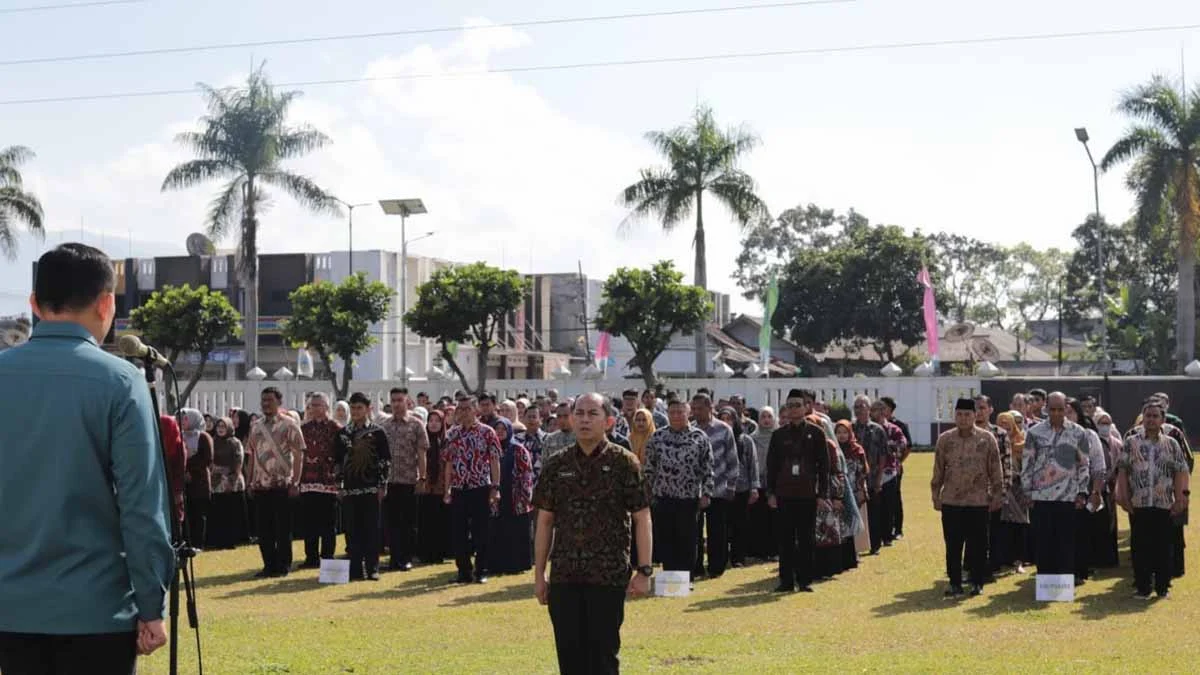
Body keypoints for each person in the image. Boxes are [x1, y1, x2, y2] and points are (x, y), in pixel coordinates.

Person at [0, 243, 173, 672]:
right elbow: (141, 506)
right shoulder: (121, 381)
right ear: (107, 303)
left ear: (35, 304)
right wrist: (152, 604)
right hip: (97, 609)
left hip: (10, 610)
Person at [534, 393, 652, 675]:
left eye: (593, 413)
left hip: (607, 575)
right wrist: (540, 573)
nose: (585, 419)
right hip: (565, 576)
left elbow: (642, 516)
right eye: (580, 413)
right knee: (570, 659)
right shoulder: (556, 464)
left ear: (609, 421)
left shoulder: (625, 463)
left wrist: (644, 570)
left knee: (603, 657)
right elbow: (545, 521)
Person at [1117, 401, 1190, 600]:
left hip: (1164, 503)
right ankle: (1142, 587)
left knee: (1163, 547)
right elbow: (1122, 470)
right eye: (1147, 416)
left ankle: (1162, 587)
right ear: (1142, 418)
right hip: (1139, 504)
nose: (1151, 420)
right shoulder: (1132, 442)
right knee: (1140, 547)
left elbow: (1181, 471)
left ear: (1162, 420)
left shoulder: (1171, 444)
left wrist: (1182, 498)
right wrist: (1122, 496)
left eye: (1155, 416)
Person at [931, 398, 1004, 598]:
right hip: (952, 501)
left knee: (979, 544)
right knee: (953, 544)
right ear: (955, 416)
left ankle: (977, 582)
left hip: (978, 500)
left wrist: (998, 494)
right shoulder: (945, 439)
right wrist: (935, 494)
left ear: (975, 415)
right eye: (959, 415)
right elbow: (938, 468)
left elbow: (996, 469)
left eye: (967, 414)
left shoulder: (987, 439)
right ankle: (955, 583)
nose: (963, 419)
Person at [765, 390, 832, 593]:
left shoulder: (816, 433)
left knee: (806, 539)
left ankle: (805, 581)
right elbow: (771, 466)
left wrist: (822, 495)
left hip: (807, 494)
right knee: (785, 539)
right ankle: (786, 581)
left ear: (805, 407)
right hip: (784, 494)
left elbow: (824, 467)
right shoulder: (778, 435)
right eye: (790, 405)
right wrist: (771, 493)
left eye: (798, 405)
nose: (794, 409)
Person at [1022, 392, 1091, 584]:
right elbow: (1027, 462)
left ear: (1066, 409)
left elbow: (1084, 464)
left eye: (1060, 409)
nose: (1056, 413)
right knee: (1043, 542)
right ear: (1046, 409)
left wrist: (1082, 492)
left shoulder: (1078, 433)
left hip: (1068, 497)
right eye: (1052, 409)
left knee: (1066, 543)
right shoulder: (1034, 433)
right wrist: (1027, 491)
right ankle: (1045, 582)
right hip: (1041, 497)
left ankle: (1063, 584)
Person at [643, 396, 714, 580]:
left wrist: (706, 493)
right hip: (663, 498)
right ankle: (669, 578)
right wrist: (647, 493)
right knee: (666, 540)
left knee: (688, 541)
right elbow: (649, 467)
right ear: (667, 414)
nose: (676, 416)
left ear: (688, 413)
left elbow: (707, 468)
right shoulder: (657, 437)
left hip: (688, 499)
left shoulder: (699, 437)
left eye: (680, 412)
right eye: (672, 412)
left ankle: (685, 578)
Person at [246, 386, 307, 578]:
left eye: (270, 400)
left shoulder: (289, 425)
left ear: (279, 402)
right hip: (261, 485)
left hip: (283, 485)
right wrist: (249, 481)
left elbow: (299, 456)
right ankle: (268, 565)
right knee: (264, 529)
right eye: (263, 400)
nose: (266, 404)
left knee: (282, 528)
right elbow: (251, 456)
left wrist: (295, 481)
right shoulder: (255, 426)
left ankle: (283, 565)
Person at [443, 396, 503, 584]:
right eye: (460, 409)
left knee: (481, 531)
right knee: (458, 532)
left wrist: (496, 487)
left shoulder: (487, 432)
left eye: (467, 408)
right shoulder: (452, 434)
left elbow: (494, 460)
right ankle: (464, 570)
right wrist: (447, 490)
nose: (463, 412)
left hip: (480, 487)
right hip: (459, 488)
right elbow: (448, 464)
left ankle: (481, 569)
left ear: (475, 410)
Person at [335, 393, 391, 581]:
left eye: (359, 408)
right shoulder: (343, 434)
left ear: (368, 409)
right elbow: (337, 462)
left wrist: (382, 484)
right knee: (352, 531)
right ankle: (355, 570)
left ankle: (372, 568)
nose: (356, 412)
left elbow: (385, 461)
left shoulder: (378, 432)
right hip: (350, 490)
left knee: (371, 530)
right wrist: (339, 486)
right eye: (353, 408)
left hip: (371, 489)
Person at [381, 387, 429, 572]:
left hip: (409, 480)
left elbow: (422, 453)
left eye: (399, 400)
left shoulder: (416, 425)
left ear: (407, 401)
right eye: (393, 400)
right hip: (389, 481)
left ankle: (406, 558)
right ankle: (394, 558)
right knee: (391, 522)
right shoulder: (384, 426)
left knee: (407, 523)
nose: (396, 404)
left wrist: (422, 477)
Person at [692, 393, 739, 579]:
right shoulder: (692, 430)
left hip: (719, 488)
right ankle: (695, 566)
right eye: (693, 409)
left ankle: (716, 567)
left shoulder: (724, 429)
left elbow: (732, 459)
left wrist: (731, 485)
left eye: (699, 409)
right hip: (695, 489)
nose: (696, 412)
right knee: (695, 531)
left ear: (709, 408)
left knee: (717, 531)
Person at [1065, 398, 1107, 583]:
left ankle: (1080, 571)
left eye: (1069, 412)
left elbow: (1098, 467)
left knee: (1080, 533)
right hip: (1056, 495)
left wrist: (1095, 492)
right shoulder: (1050, 434)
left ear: (1078, 414)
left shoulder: (1089, 435)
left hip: (1083, 492)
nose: (1065, 416)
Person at [487, 418, 535, 575]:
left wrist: (525, 496)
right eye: (497, 429)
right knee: (497, 531)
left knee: (516, 533)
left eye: (503, 429)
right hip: (496, 497)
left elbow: (527, 474)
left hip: (516, 498)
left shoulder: (518, 449)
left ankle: (517, 565)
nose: (500, 432)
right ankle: (497, 564)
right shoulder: (489, 449)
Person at [299, 393, 341, 568]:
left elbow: (340, 455)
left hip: (328, 482)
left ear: (326, 407)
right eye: (312, 405)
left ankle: (327, 557)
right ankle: (311, 558)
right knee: (309, 523)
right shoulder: (304, 428)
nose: (315, 408)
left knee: (328, 523)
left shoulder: (335, 428)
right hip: (308, 481)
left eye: (318, 405)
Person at [973, 395, 1011, 578]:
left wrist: (1002, 492)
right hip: (969, 493)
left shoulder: (1001, 434)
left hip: (992, 491)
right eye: (976, 408)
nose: (979, 411)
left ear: (990, 409)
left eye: (982, 407)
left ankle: (992, 566)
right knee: (972, 532)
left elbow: (1007, 465)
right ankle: (972, 566)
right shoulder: (964, 433)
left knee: (994, 531)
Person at [719, 407, 760, 568]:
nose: (726, 423)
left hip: (742, 488)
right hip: (721, 489)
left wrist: (754, 487)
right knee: (722, 525)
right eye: (722, 419)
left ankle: (738, 557)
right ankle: (721, 556)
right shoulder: (716, 438)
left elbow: (753, 464)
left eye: (729, 419)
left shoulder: (745, 440)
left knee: (739, 525)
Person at [852, 395, 890, 554]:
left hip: (873, 477)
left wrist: (879, 479)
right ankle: (855, 546)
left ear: (869, 409)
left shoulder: (878, 430)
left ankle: (875, 545)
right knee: (855, 511)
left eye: (863, 406)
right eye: (857, 406)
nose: (860, 409)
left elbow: (883, 456)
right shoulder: (850, 429)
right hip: (854, 478)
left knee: (874, 512)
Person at [996, 411, 1030, 574]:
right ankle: (1002, 559)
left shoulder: (1022, 444)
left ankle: (1019, 561)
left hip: (1019, 489)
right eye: (1001, 424)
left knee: (1020, 524)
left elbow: (1029, 466)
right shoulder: (995, 442)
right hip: (1000, 489)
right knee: (1002, 525)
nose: (1005, 428)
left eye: (1007, 424)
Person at [208, 416, 247, 550]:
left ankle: (231, 540)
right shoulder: (213, 441)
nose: (220, 429)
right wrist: (215, 469)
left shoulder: (234, 442)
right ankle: (219, 540)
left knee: (231, 512)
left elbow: (238, 462)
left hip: (232, 481)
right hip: (216, 482)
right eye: (218, 426)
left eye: (223, 427)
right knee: (219, 512)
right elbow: (209, 460)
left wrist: (232, 479)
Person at [418, 409, 451, 565]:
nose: (433, 424)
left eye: (437, 421)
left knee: (440, 522)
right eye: (431, 420)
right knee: (425, 521)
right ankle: (424, 553)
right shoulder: (422, 440)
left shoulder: (447, 441)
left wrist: (447, 489)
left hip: (441, 487)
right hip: (425, 488)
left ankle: (439, 553)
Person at [836, 420, 870, 566]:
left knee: (853, 524)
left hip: (855, 491)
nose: (842, 436)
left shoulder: (857, 450)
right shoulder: (833, 449)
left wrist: (861, 489)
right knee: (840, 525)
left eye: (845, 432)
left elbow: (863, 471)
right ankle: (841, 557)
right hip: (838, 491)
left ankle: (853, 556)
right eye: (838, 432)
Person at [879, 396, 911, 541]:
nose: (881, 411)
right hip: (878, 469)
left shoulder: (899, 425)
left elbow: (907, 447)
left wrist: (899, 462)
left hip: (894, 468)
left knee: (895, 499)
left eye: (884, 408)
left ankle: (897, 528)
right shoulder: (876, 424)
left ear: (891, 410)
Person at [181, 407, 214, 551]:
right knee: (185, 514)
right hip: (183, 481)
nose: (182, 421)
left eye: (185, 418)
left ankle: (198, 543)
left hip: (199, 481)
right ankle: (186, 543)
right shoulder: (179, 436)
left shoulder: (203, 437)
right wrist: (183, 471)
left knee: (199, 514)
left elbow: (206, 459)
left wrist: (190, 470)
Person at [749, 406, 779, 560]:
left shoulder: (779, 437)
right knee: (759, 518)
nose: (766, 420)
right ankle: (759, 551)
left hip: (775, 483)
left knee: (775, 518)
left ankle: (774, 551)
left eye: (769, 416)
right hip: (759, 482)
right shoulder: (753, 438)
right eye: (763, 417)